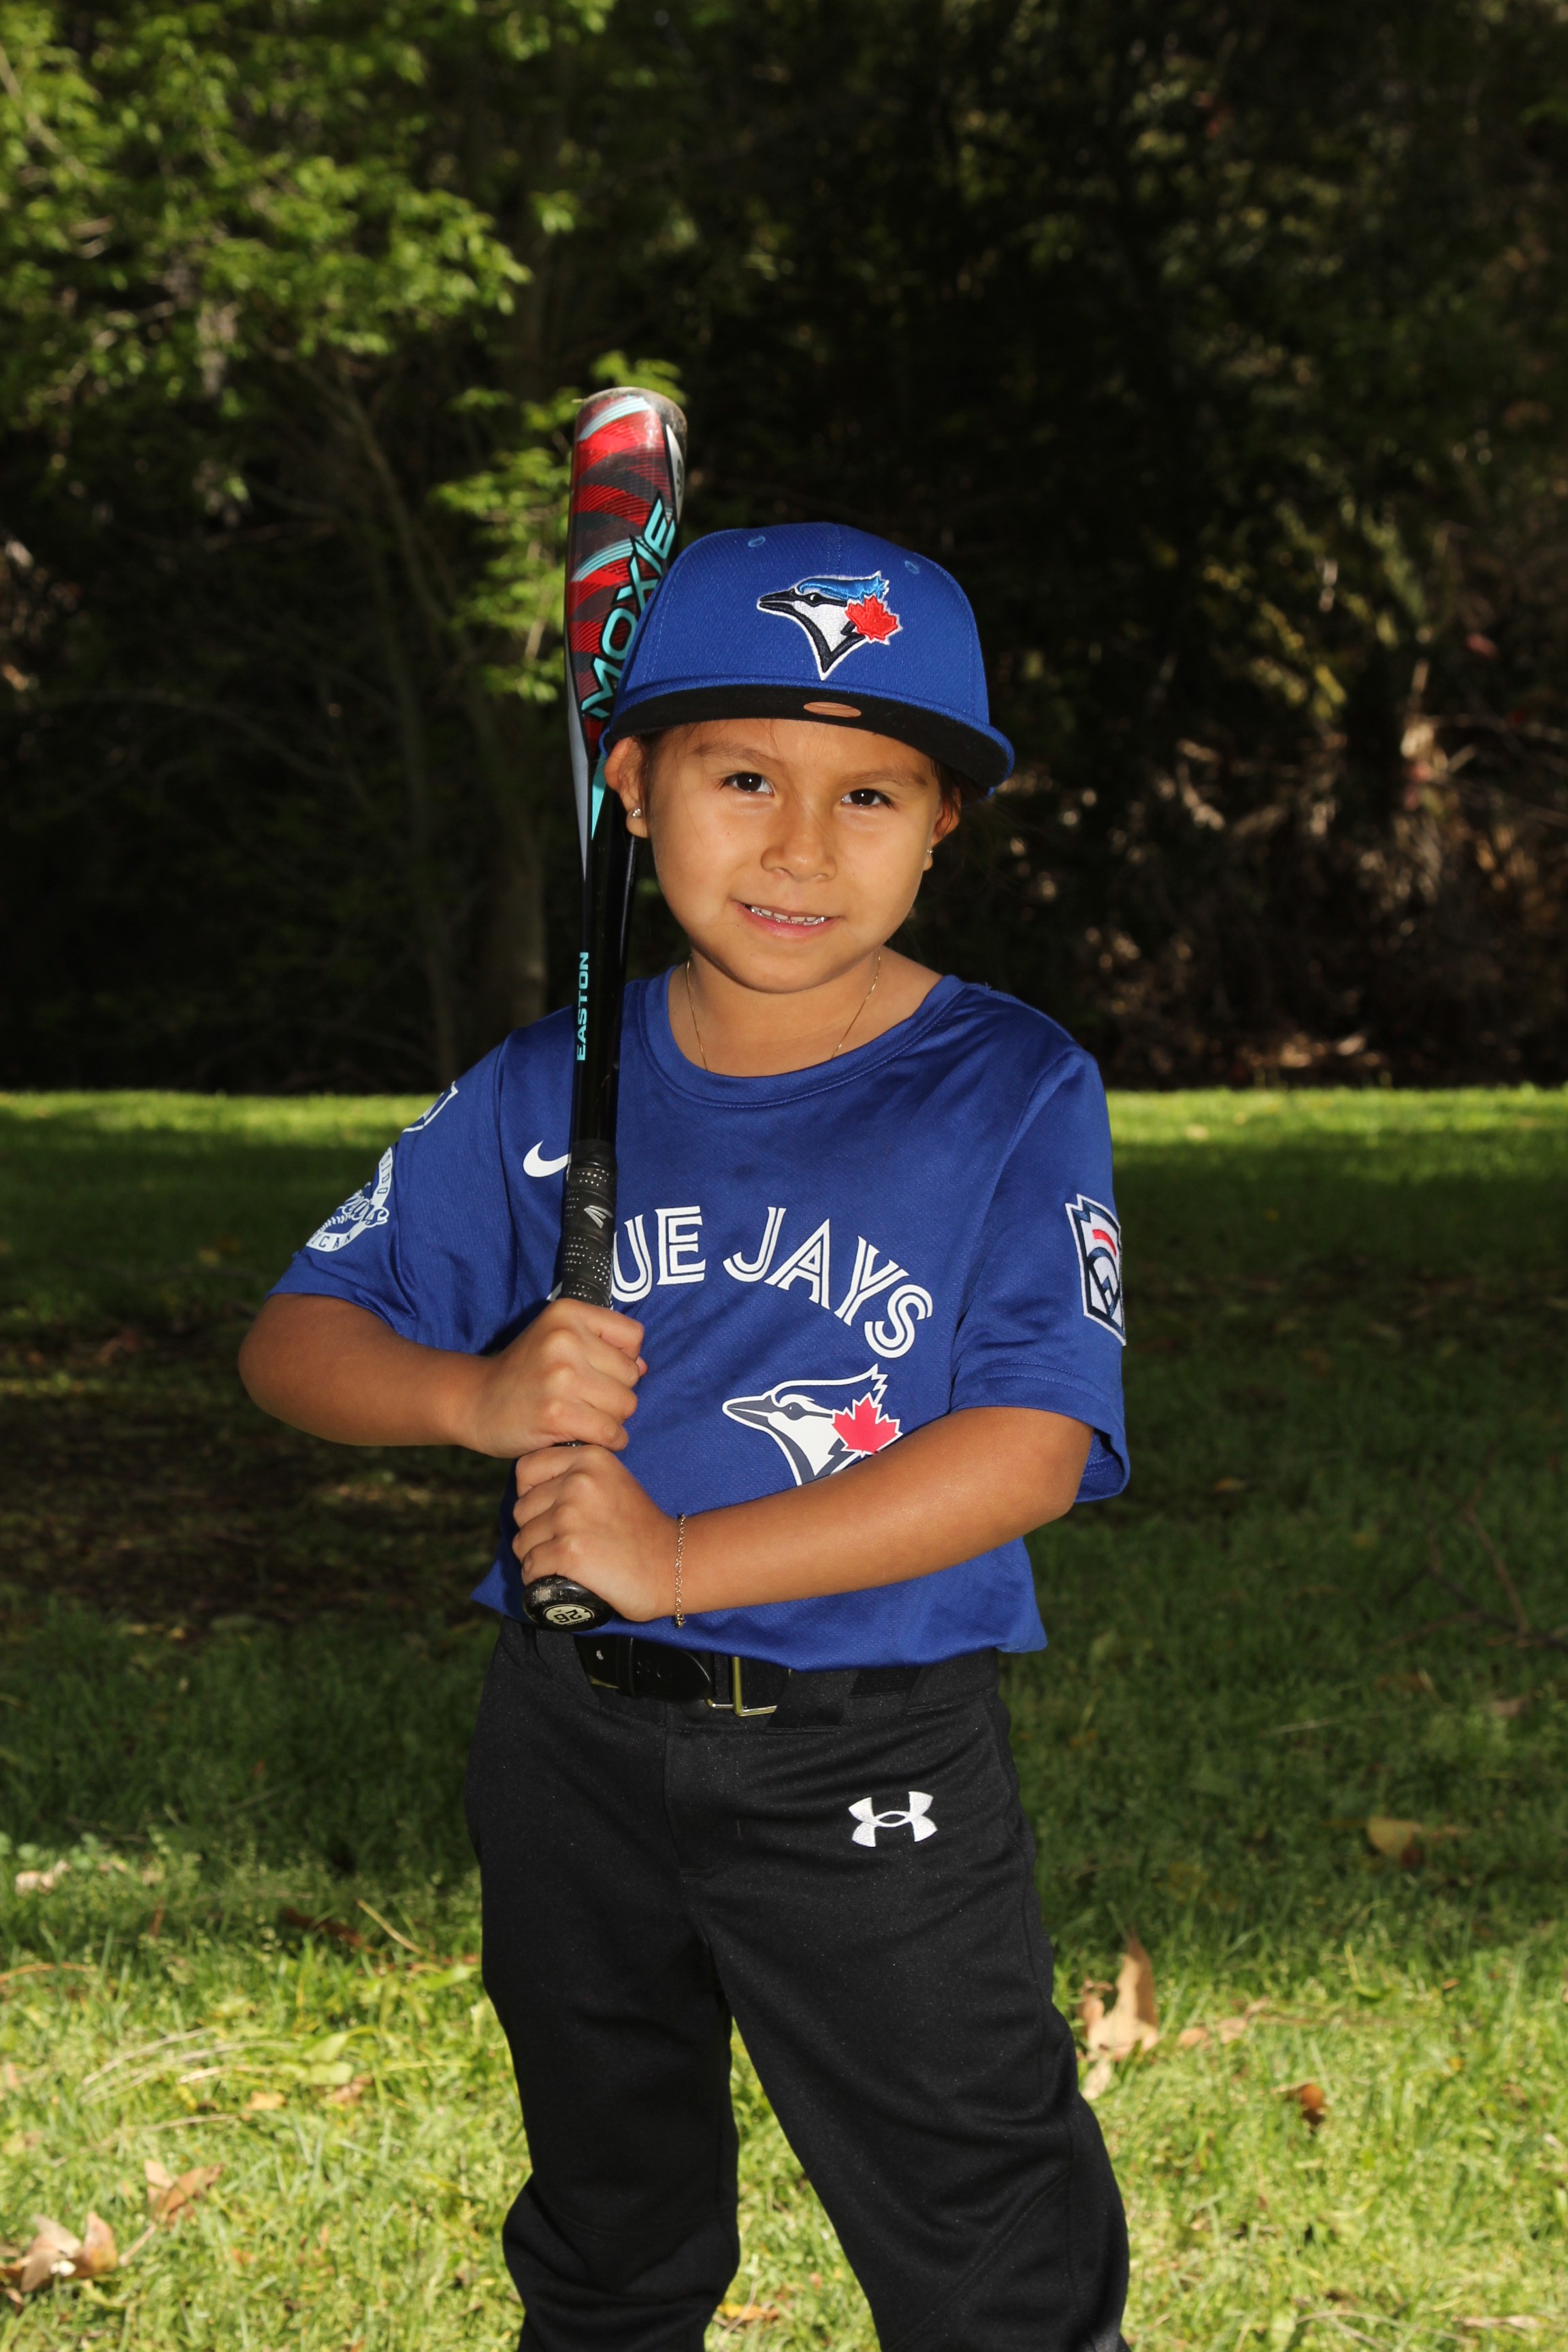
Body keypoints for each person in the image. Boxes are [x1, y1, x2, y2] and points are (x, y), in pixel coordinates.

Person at [240, 521, 1132, 2352]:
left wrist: (680, 1559)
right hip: (567, 1743)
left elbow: (1033, 1445)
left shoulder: (1007, 1085)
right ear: (632, 789)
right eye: (743, 778)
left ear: (943, 825)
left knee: (984, 2237)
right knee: (609, 2225)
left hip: (868, 1745)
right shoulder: (543, 1090)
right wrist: (471, 1398)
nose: (802, 848)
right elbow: (295, 1341)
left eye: (869, 794)